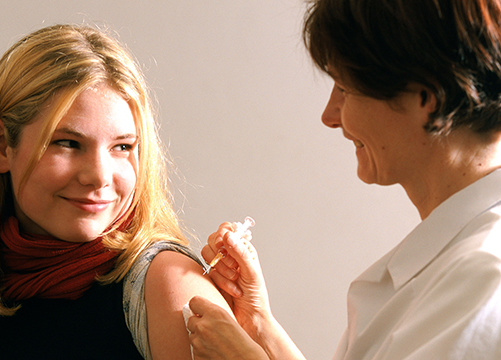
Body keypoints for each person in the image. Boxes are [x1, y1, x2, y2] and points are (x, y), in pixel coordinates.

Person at [186, 0, 501, 359]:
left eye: (345, 89)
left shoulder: (487, 276)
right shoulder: (456, 259)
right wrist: (259, 324)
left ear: (428, 96)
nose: (330, 116)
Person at [0, 24, 231, 360]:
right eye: (68, 143)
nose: (99, 176)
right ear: (1, 146)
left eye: (122, 147)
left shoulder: (168, 285)